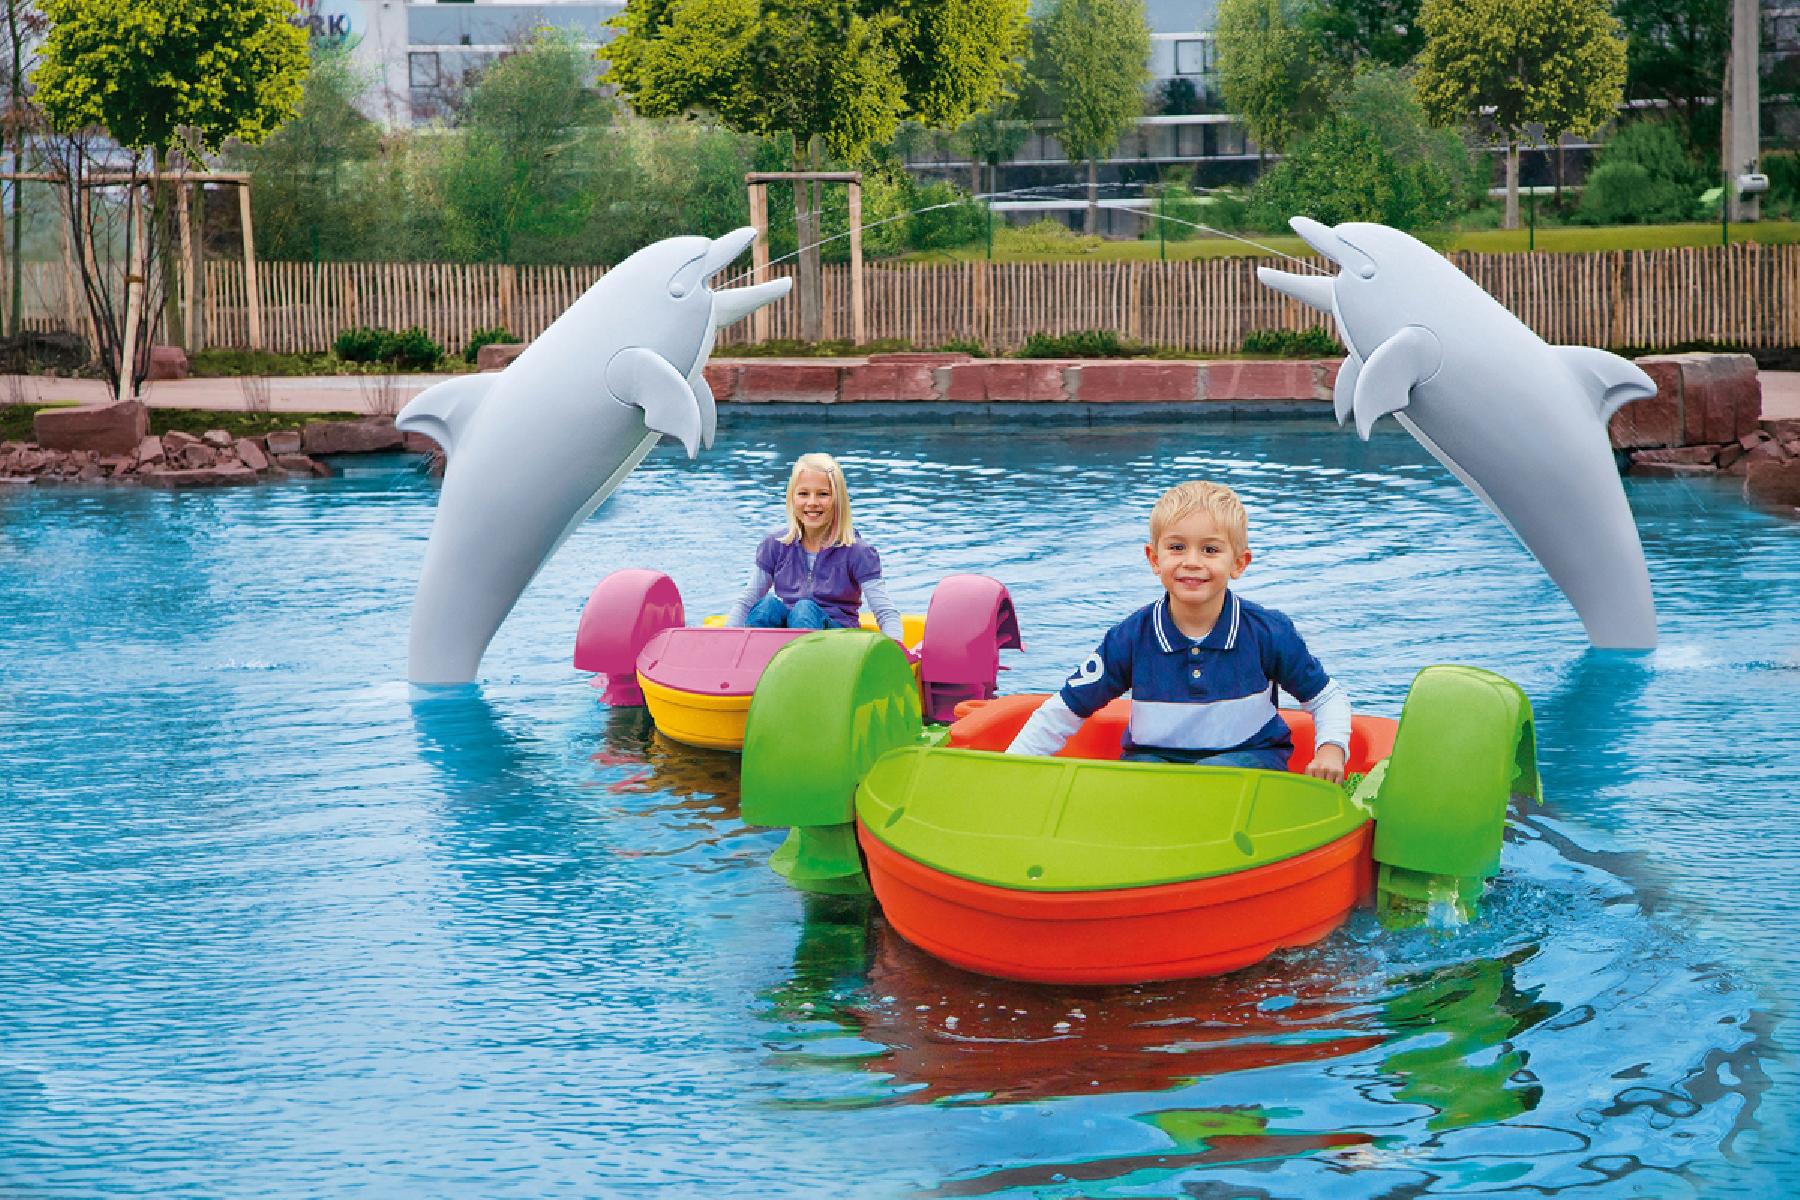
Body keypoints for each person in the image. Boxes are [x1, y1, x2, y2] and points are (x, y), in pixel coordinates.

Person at [1007, 480, 1350, 781]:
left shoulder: (1268, 632)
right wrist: (1011, 769)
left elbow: (1326, 697)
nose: (1192, 562)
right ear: (1154, 559)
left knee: (1215, 774)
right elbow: (1065, 709)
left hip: (1248, 762)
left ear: (1238, 563)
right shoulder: (1130, 637)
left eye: (1210, 550)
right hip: (1155, 762)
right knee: (1136, 776)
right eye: (1176, 547)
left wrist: (1331, 749)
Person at [725, 452, 904, 641]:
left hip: (838, 641)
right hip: (788, 638)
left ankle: (802, 658)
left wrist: (896, 649)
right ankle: (756, 656)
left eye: (823, 494)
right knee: (766, 606)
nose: (812, 502)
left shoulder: (858, 552)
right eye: (803, 494)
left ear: (838, 500)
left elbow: (885, 612)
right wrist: (725, 643)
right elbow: (747, 601)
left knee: (804, 609)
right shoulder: (775, 546)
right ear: (792, 498)